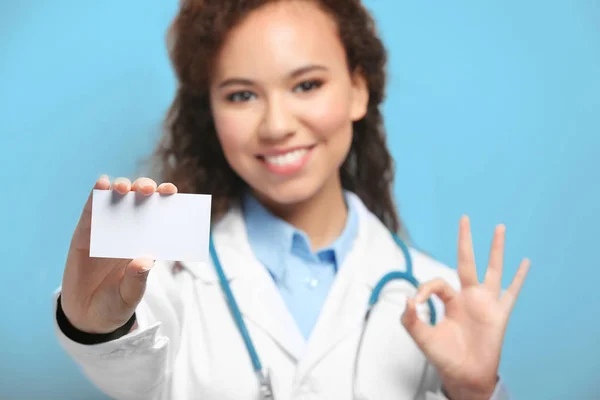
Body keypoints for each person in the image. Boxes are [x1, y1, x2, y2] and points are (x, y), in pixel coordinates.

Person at [53, 0, 530, 399]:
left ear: (358, 90)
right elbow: (129, 367)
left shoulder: (437, 298)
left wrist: (473, 391)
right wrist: (96, 329)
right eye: (242, 95)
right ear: (211, 113)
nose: (277, 125)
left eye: (306, 85)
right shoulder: (166, 277)